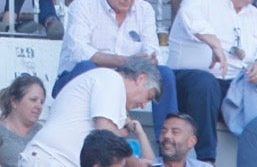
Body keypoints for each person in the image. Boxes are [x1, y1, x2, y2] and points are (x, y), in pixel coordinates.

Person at [166, 0, 257, 162]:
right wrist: (214, 42)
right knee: (206, 82)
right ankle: (206, 159)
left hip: (233, 85)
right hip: (189, 82)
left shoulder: (254, 16)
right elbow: (190, 17)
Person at [54, 0, 177, 130]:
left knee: (164, 74)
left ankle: (167, 142)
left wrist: (151, 59)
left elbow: (153, 52)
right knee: (87, 66)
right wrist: (126, 61)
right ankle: (79, 132)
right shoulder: (84, 5)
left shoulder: (144, 9)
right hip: (78, 79)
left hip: (124, 82)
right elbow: (80, 52)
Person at [18, 57, 158, 167]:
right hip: (52, 159)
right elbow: (105, 133)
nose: (143, 105)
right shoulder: (112, 79)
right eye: (148, 97)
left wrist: (120, 132)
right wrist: (135, 163)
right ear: (141, 79)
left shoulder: (105, 82)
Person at [0, 75, 45, 167]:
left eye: (41, 102)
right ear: (14, 101)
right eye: (33, 100)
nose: (39, 106)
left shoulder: (42, 132)